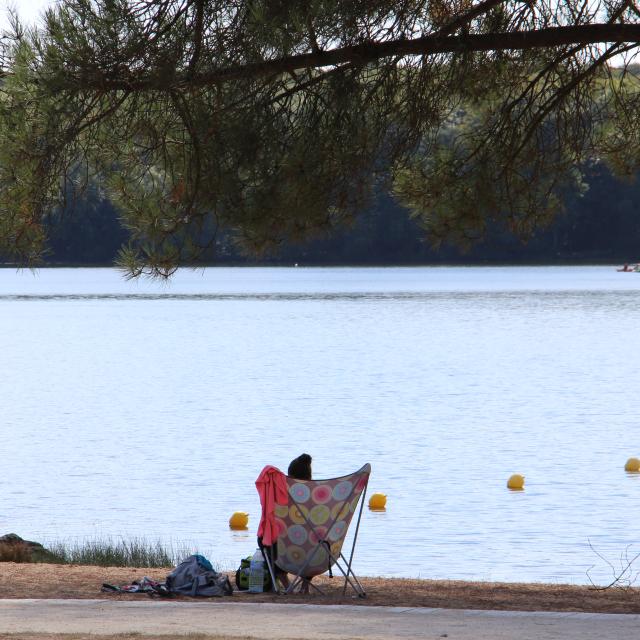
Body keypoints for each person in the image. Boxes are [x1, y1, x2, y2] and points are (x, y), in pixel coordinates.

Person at [259, 453, 313, 592]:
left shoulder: (280, 493)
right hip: (313, 554)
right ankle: (305, 586)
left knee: (263, 538)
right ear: (309, 476)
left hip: (285, 552)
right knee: (318, 540)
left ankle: (285, 581)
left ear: (290, 476)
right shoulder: (318, 496)